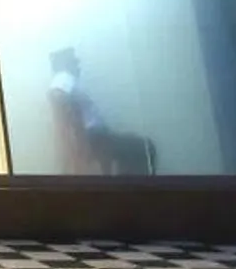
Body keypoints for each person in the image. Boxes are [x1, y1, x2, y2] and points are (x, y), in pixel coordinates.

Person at [49, 47, 156, 176]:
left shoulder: (66, 79)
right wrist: (77, 136)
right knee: (143, 148)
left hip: (96, 137)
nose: (78, 64)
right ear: (65, 64)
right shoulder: (64, 77)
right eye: (74, 61)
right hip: (94, 138)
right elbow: (57, 96)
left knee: (135, 151)